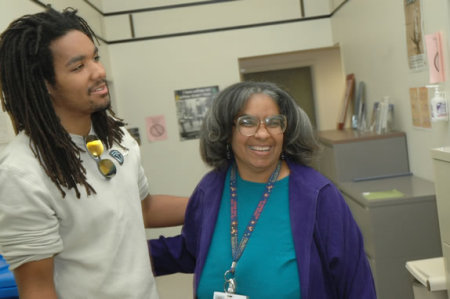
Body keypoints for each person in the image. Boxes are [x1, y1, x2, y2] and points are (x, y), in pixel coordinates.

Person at [0, 7, 187, 299]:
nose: (99, 71)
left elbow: (140, 209)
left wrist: (216, 201)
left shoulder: (117, 138)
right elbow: (37, 290)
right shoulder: (21, 173)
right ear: (46, 84)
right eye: (78, 66)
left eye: (95, 58)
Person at [150, 81, 377, 298]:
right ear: (227, 132)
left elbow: (356, 283)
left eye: (274, 122)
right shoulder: (211, 188)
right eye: (247, 122)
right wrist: (125, 253)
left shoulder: (318, 195)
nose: (263, 134)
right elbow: (191, 250)